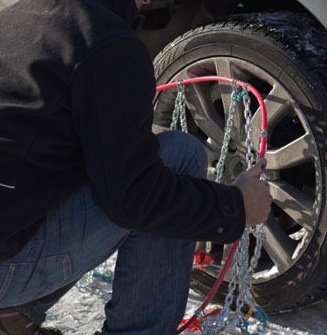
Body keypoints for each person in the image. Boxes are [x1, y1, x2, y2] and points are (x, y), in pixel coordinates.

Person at [0, 0, 272, 334]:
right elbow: (134, 197)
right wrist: (235, 206)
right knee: (180, 157)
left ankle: (15, 311)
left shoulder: (15, 16)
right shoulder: (108, 42)